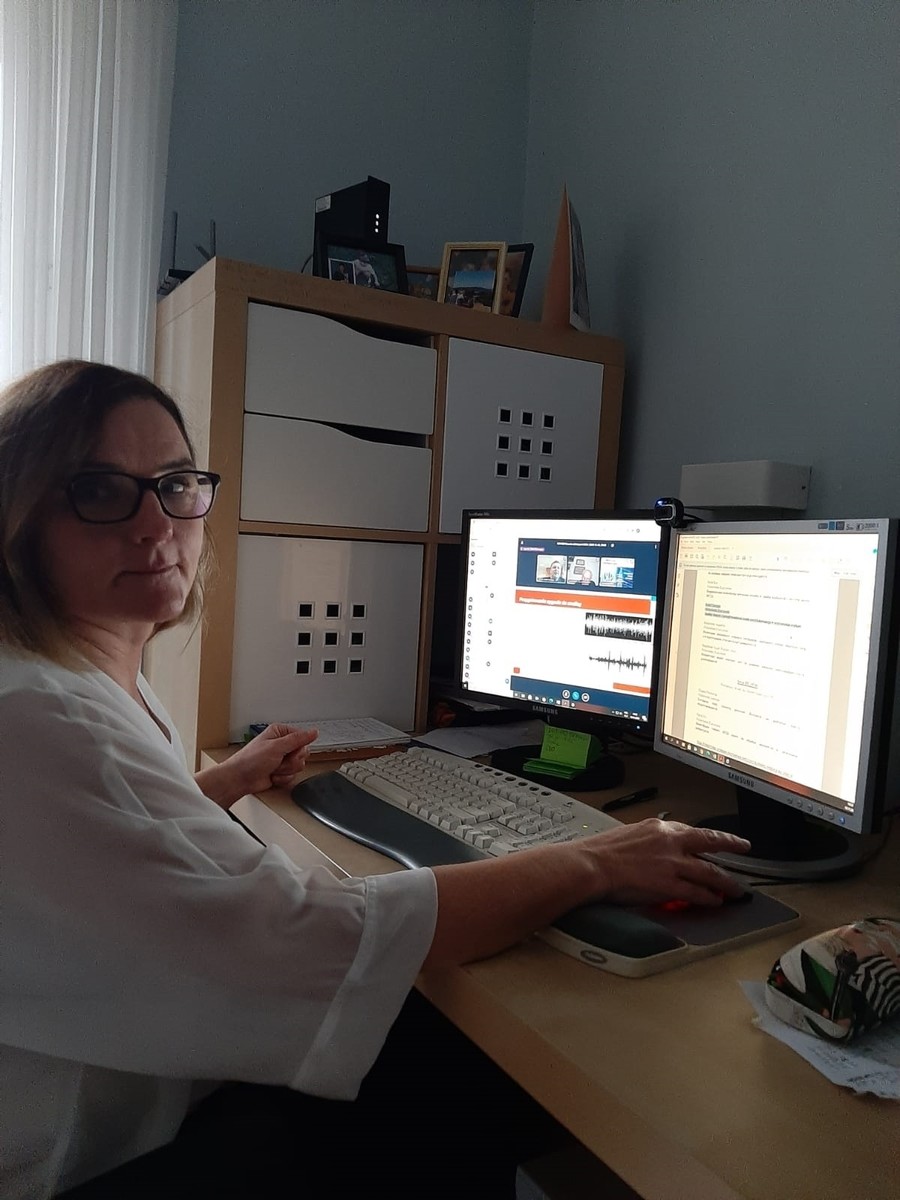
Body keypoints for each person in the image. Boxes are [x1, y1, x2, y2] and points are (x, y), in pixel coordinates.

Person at [0, 360, 751, 1199]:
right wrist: (593, 861)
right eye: (100, 491)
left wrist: (225, 782)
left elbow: (113, 854)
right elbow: (321, 938)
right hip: (85, 1166)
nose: (156, 526)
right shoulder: (43, 718)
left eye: (176, 484)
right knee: (460, 1076)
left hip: (133, 1095)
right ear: (18, 518)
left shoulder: (64, 680)